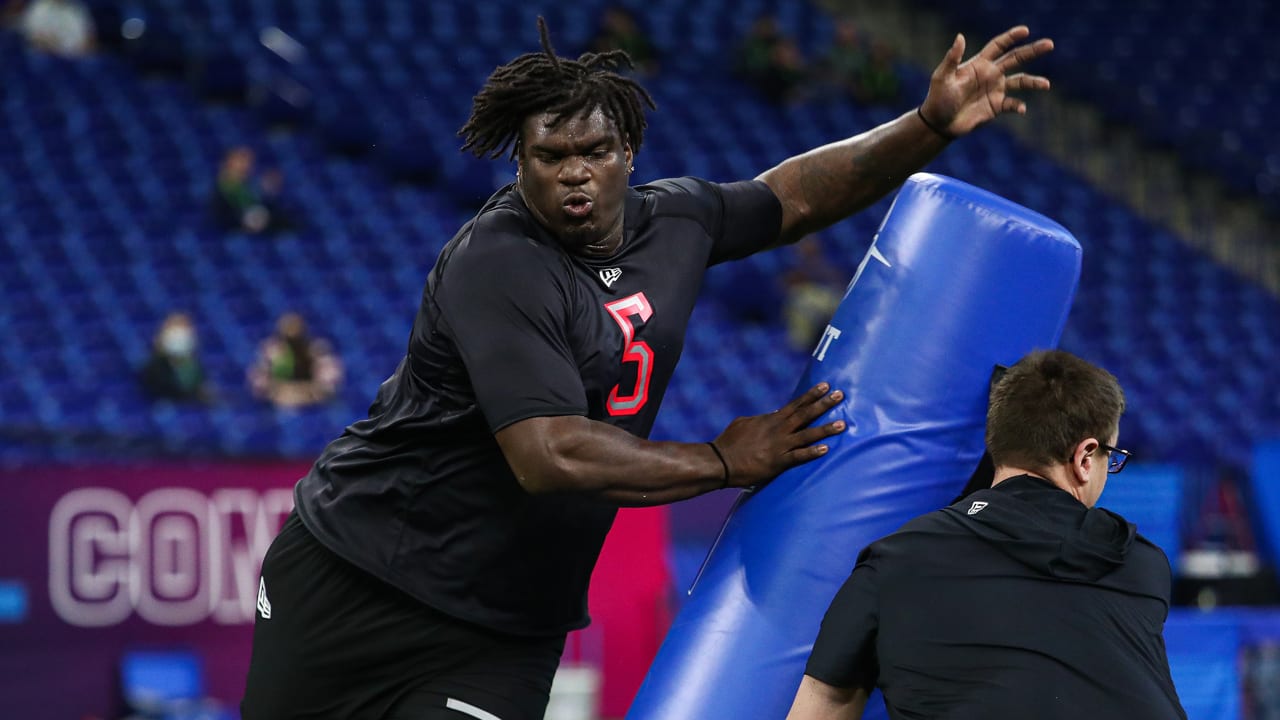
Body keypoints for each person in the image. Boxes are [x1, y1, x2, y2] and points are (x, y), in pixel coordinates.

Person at [241, 18, 1053, 720]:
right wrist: (722, 461)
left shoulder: (677, 218)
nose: (573, 173)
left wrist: (926, 124)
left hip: (501, 624)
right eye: (548, 156)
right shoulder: (497, 260)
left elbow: (793, 196)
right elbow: (549, 454)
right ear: (518, 165)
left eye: (593, 151)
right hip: (358, 574)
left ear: (629, 151)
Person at [788, 350, 1187, 720]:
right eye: (1109, 458)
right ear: (1084, 458)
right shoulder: (1140, 564)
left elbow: (823, 702)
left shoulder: (895, 560)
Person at [248, 312, 343, 408]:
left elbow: (329, 383)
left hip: (313, 401)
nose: (292, 332)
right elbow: (259, 382)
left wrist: (305, 391)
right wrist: (280, 391)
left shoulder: (317, 348)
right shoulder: (270, 351)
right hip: (280, 401)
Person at [139, 312, 211, 403]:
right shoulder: (154, 368)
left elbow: (199, 389)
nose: (180, 337)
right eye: (174, 331)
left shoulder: (195, 367)